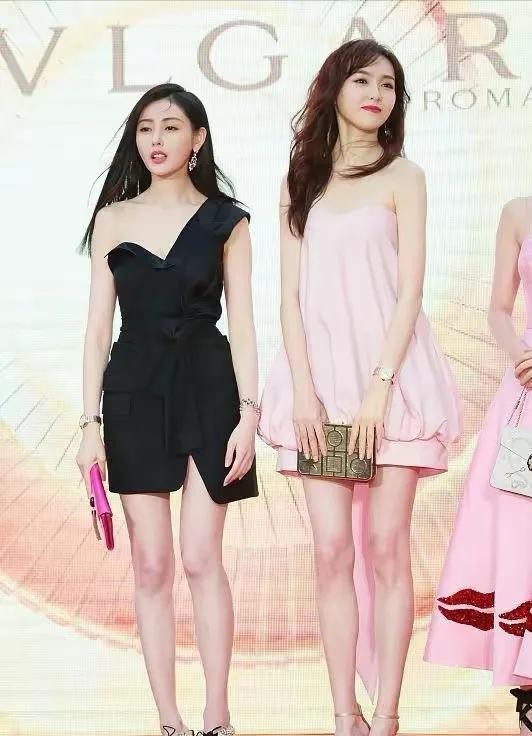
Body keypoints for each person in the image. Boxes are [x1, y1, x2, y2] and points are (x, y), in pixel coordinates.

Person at [258, 39, 461, 736]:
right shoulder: (300, 181)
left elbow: (409, 290)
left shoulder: (405, 177)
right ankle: (344, 713)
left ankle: (389, 715)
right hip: (319, 388)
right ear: (335, 89)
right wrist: (304, 391)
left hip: (393, 387)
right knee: (331, 552)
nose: (377, 94)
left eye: (389, 85)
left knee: (385, 546)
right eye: (364, 81)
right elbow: (288, 296)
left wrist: (379, 388)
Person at [75, 82, 259, 736]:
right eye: (146, 128)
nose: (157, 139)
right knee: (150, 564)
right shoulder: (113, 219)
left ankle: (217, 715)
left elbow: (244, 322)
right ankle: (170, 721)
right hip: (134, 392)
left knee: (201, 558)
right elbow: (98, 329)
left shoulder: (228, 220)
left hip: (210, 389)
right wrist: (89, 424)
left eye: (172, 127)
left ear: (197, 139)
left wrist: (250, 414)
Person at [425, 197, 532, 736]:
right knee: (522, 538)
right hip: (529, 389)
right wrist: (521, 355)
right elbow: (499, 310)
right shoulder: (518, 212)